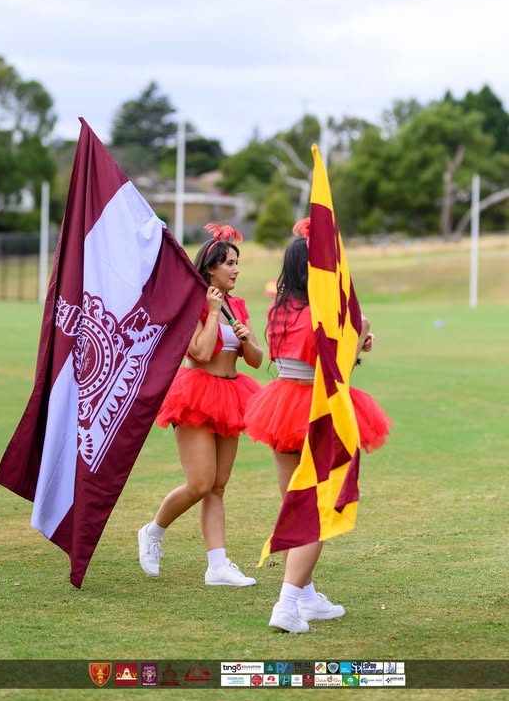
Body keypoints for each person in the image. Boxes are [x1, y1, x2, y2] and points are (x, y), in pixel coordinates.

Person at [243, 218, 392, 632]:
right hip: (317, 411)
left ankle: (306, 597)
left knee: (295, 503)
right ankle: (287, 605)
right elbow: (338, 370)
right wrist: (359, 334)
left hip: (280, 407)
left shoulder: (277, 311)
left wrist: (354, 337)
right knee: (318, 511)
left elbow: (294, 358)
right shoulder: (325, 314)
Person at [138, 223, 263, 587]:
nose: (236, 269)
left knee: (219, 486)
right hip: (195, 394)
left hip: (231, 393)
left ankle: (217, 566)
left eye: (238, 262)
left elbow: (255, 359)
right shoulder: (193, 303)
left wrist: (244, 338)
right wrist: (210, 310)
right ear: (210, 269)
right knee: (200, 482)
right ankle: (153, 531)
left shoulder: (238, 305)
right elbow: (201, 352)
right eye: (229, 263)